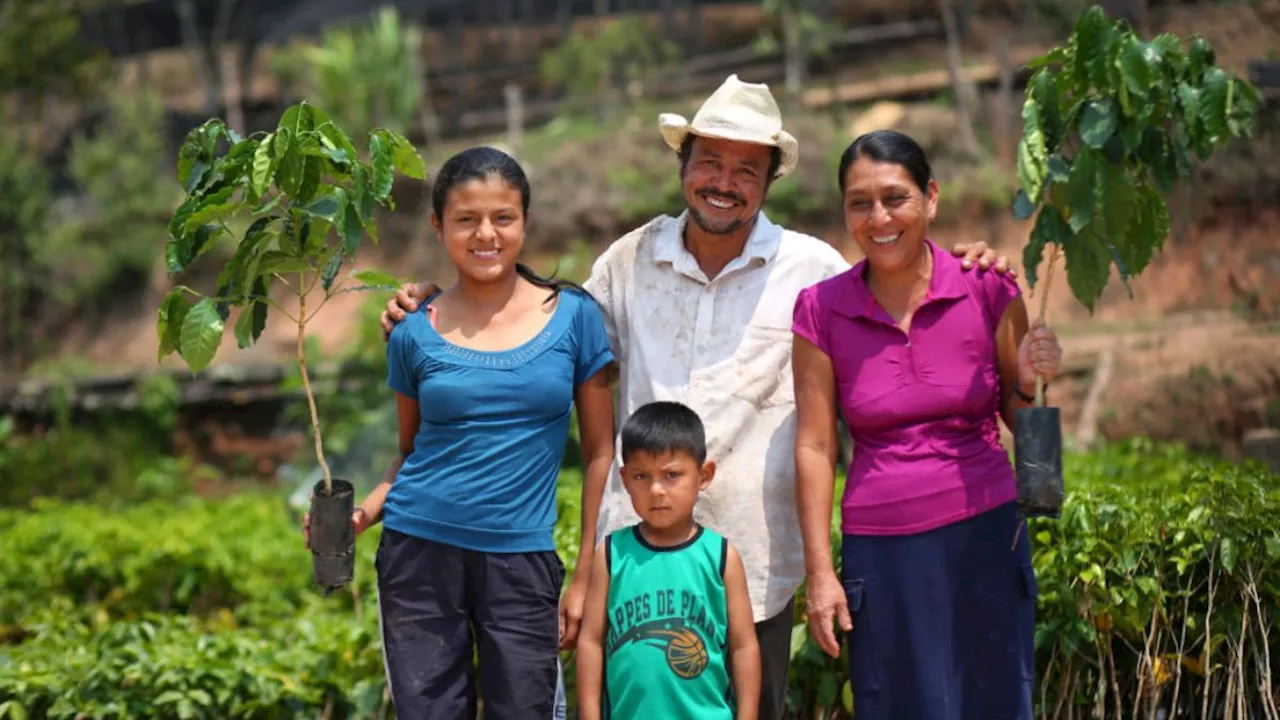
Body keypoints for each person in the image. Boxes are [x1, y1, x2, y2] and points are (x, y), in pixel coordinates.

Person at [379, 74, 1018, 719]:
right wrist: (438, 302)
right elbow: (537, 331)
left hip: (754, 566)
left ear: (771, 181)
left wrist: (974, 267)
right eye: (709, 161)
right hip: (632, 569)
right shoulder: (627, 263)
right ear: (682, 166)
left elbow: (898, 310)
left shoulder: (814, 274)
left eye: (746, 168)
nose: (724, 180)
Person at [307, 145, 617, 719]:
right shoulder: (411, 332)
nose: (486, 235)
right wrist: (363, 513)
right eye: (466, 219)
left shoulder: (575, 319)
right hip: (418, 557)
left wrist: (584, 578)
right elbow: (409, 452)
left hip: (522, 562)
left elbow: (601, 454)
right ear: (438, 226)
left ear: (525, 219)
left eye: (503, 217)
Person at [791, 129, 1064, 719]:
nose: (879, 217)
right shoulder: (819, 308)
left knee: (993, 700)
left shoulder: (987, 284)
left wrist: (1034, 379)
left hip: (985, 539)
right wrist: (820, 571)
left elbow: (1021, 416)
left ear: (931, 198)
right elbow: (814, 445)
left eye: (896, 197)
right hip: (881, 553)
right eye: (859, 203)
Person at [576, 400, 761, 720]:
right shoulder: (610, 554)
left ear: (704, 475)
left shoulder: (721, 558)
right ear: (624, 478)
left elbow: (744, 647)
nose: (657, 490)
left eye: (672, 475)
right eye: (641, 477)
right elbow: (591, 642)